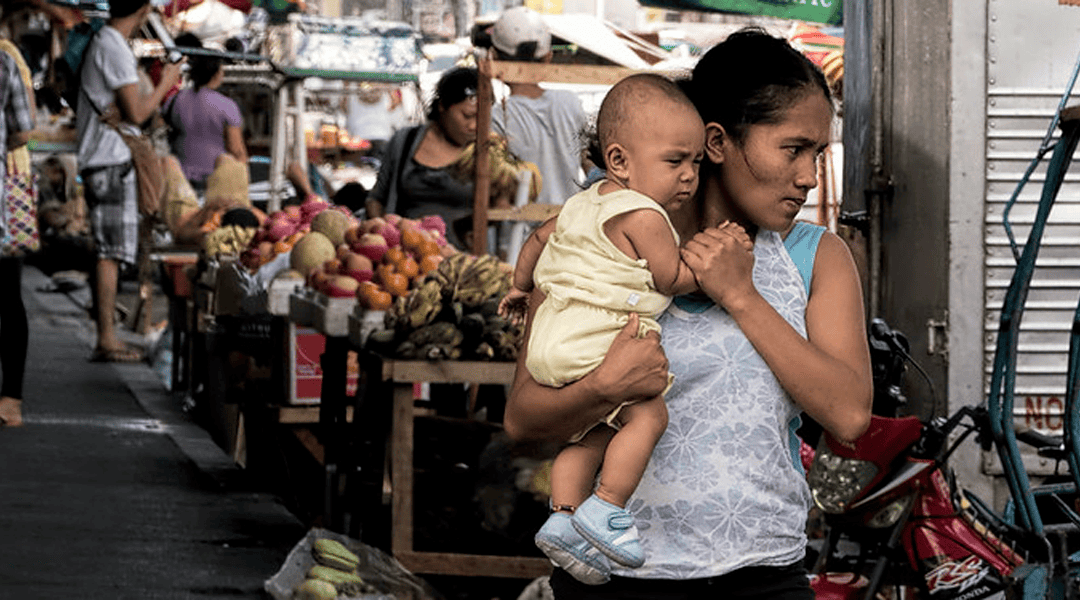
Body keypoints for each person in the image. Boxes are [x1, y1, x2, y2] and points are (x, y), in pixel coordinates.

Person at [502, 28, 873, 598]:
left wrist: (742, 296)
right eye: (793, 148)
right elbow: (522, 422)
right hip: (613, 580)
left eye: (818, 154)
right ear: (719, 142)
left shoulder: (818, 257)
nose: (809, 177)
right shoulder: (597, 241)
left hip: (762, 575)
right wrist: (602, 387)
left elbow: (848, 416)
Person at [498, 74, 746, 582]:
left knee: (589, 435)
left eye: (696, 163)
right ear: (619, 161)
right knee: (646, 418)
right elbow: (670, 277)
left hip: (554, 339)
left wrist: (521, 288)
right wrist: (714, 261)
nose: (689, 177)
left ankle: (563, 519)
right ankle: (606, 507)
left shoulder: (580, 204)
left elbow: (536, 241)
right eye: (675, 161)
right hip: (600, 342)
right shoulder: (645, 215)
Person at [77, 0, 184, 363]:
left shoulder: (107, 42)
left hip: (104, 158)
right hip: (111, 160)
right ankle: (107, 338)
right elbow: (138, 113)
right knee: (110, 255)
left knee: (107, 252)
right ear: (141, 11)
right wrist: (166, 82)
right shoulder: (113, 45)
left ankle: (106, 334)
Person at [365, 66, 479, 249]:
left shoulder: (488, 153)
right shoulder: (405, 142)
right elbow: (376, 199)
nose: (474, 125)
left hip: (463, 264)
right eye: (467, 116)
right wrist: (384, 234)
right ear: (443, 106)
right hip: (406, 263)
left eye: (482, 117)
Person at [489, 6, 588, 207]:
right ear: (548, 58)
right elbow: (590, 166)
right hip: (569, 228)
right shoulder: (570, 103)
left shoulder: (496, 117)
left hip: (519, 234)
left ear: (495, 58)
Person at [0, 39, 35, 428]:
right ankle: (10, 400)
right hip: (2, 201)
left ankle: (10, 398)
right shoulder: (5, 60)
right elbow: (23, 131)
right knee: (8, 295)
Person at [163, 33, 247, 194]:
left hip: (179, 178)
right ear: (216, 73)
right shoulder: (227, 106)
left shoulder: (175, 100)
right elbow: (237, 150)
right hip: (215, 179)